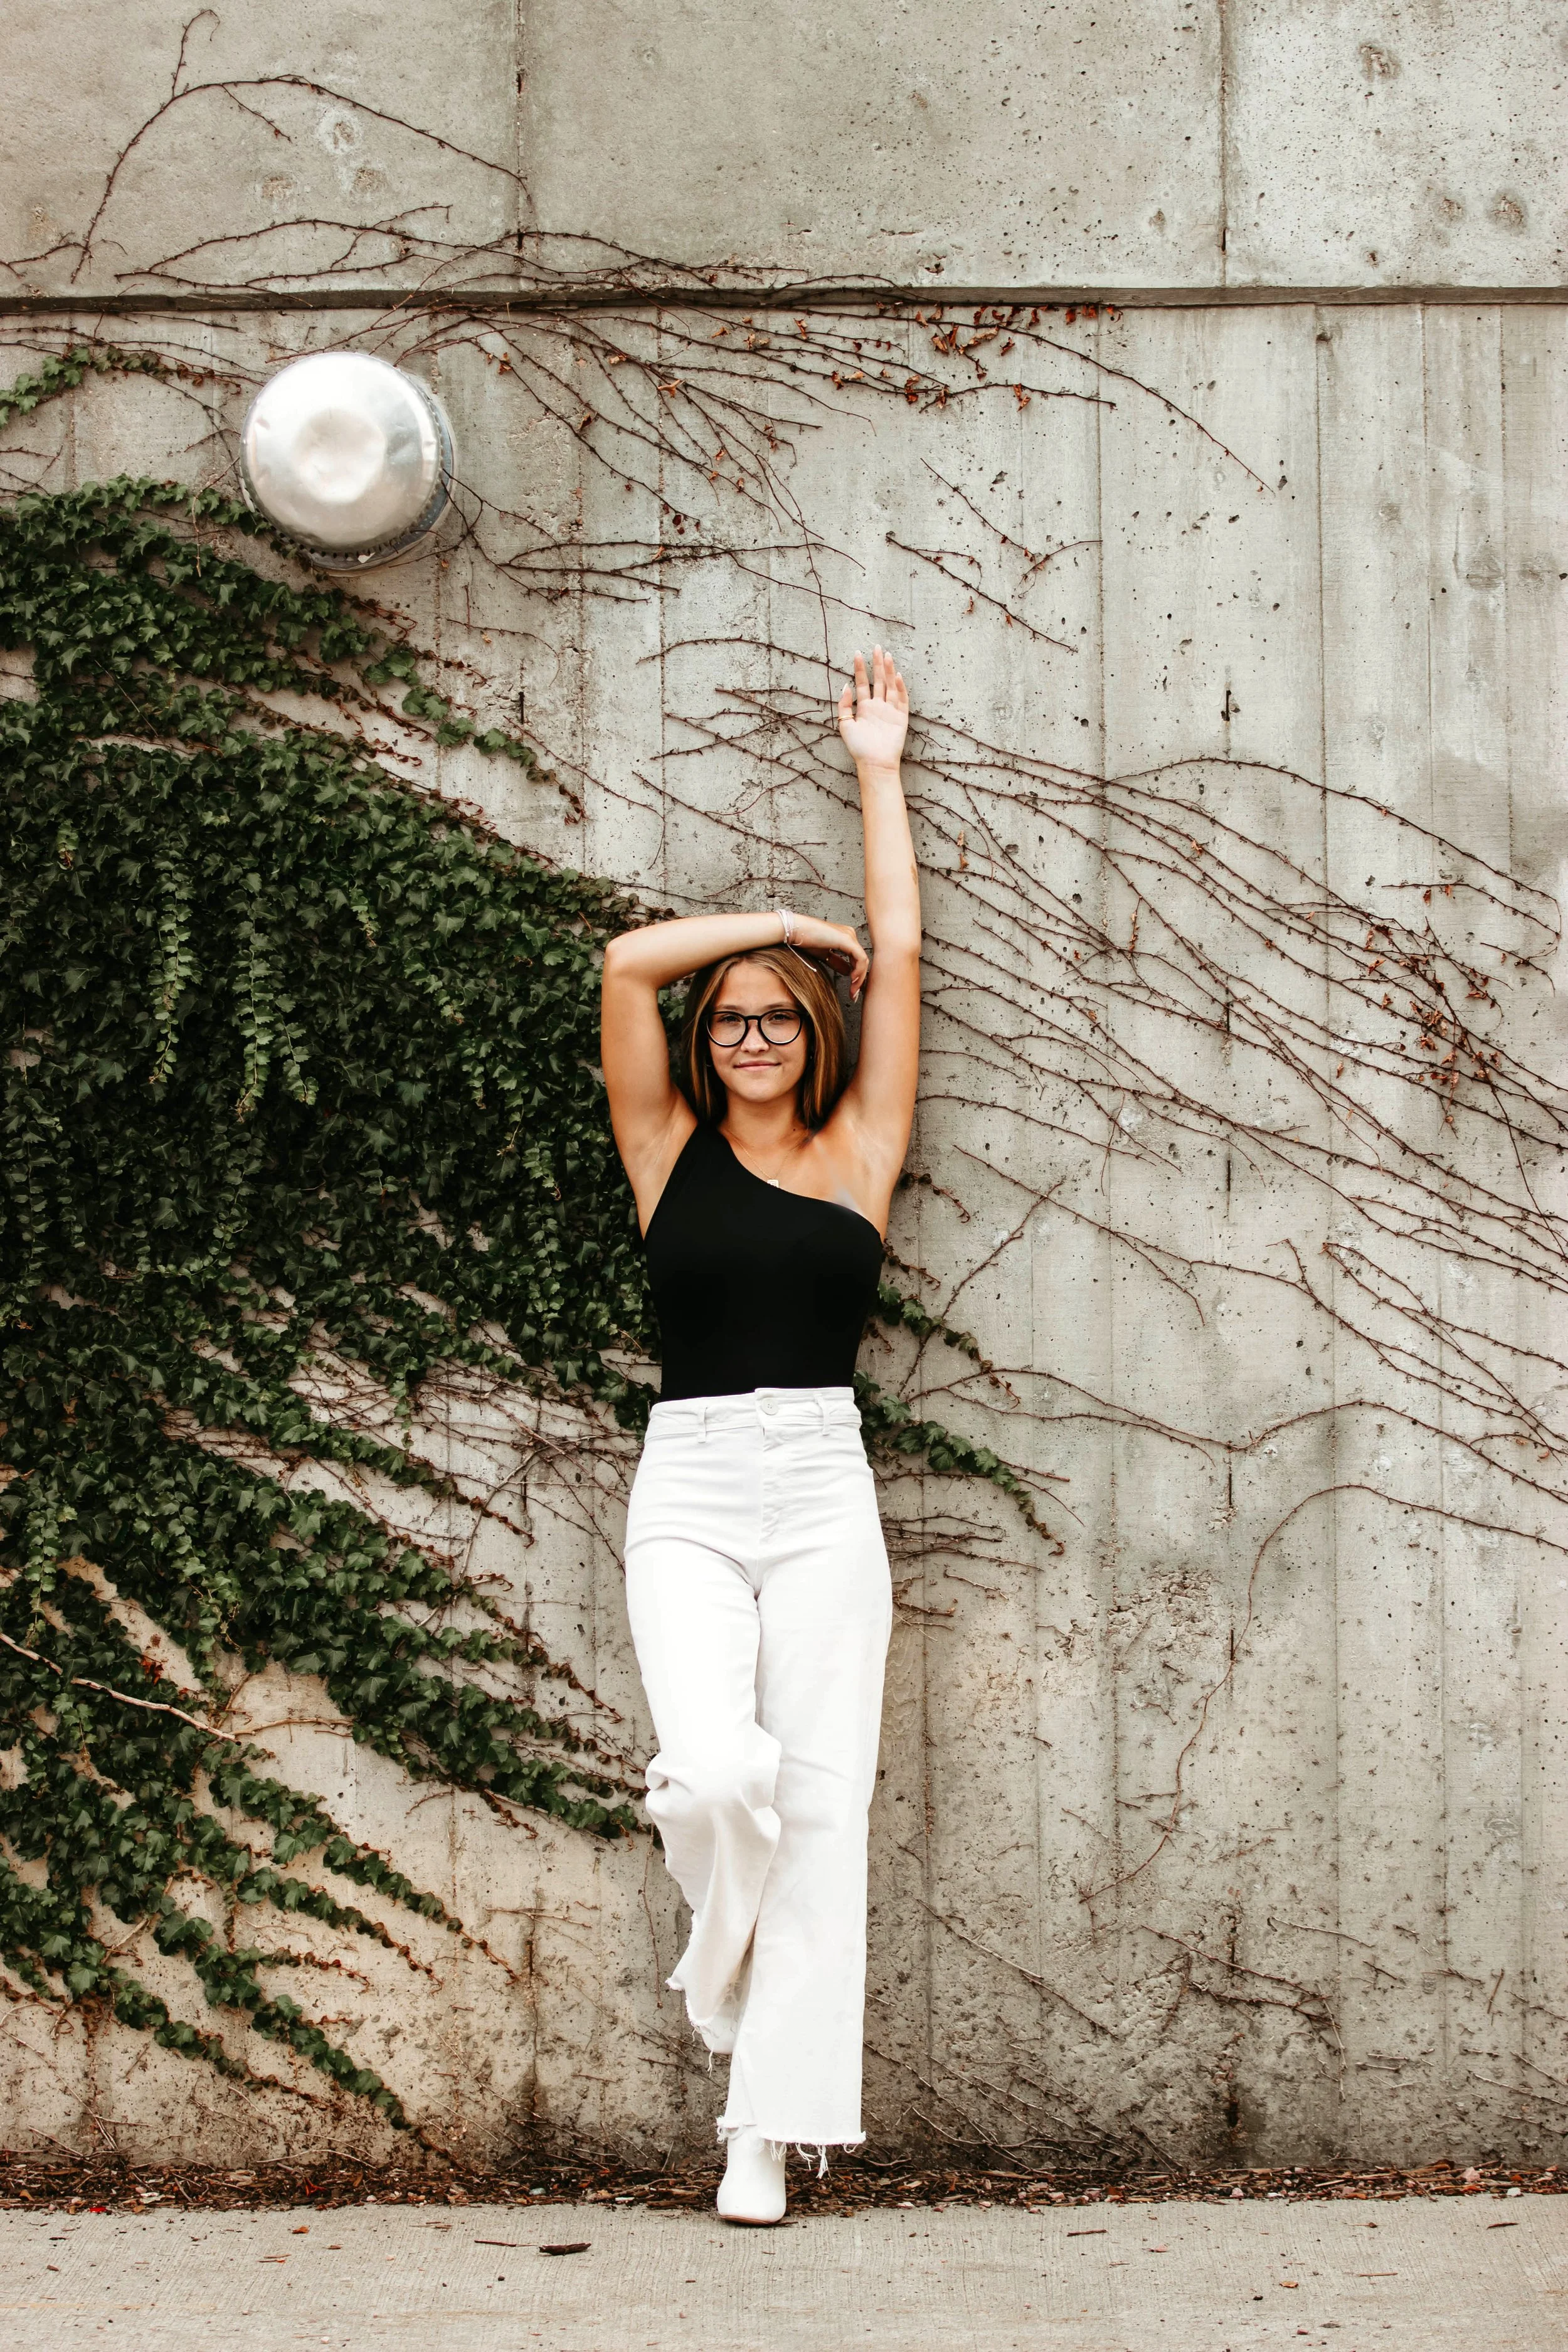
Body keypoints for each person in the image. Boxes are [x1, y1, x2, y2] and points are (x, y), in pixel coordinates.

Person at [600, 646, 921, 2224]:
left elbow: (906, 952)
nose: (742, 1034)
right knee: (720, 1773)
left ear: (814, 1037)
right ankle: (721, 1956)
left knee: (826, 1801)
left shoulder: (863, 1149)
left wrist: (878, 773)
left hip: (819, 1482)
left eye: (774, 1018)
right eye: (725, 1019)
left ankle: (760, 2133)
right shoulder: (661, 1149)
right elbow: (619, 964)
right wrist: (790, 928)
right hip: (691, 1483)